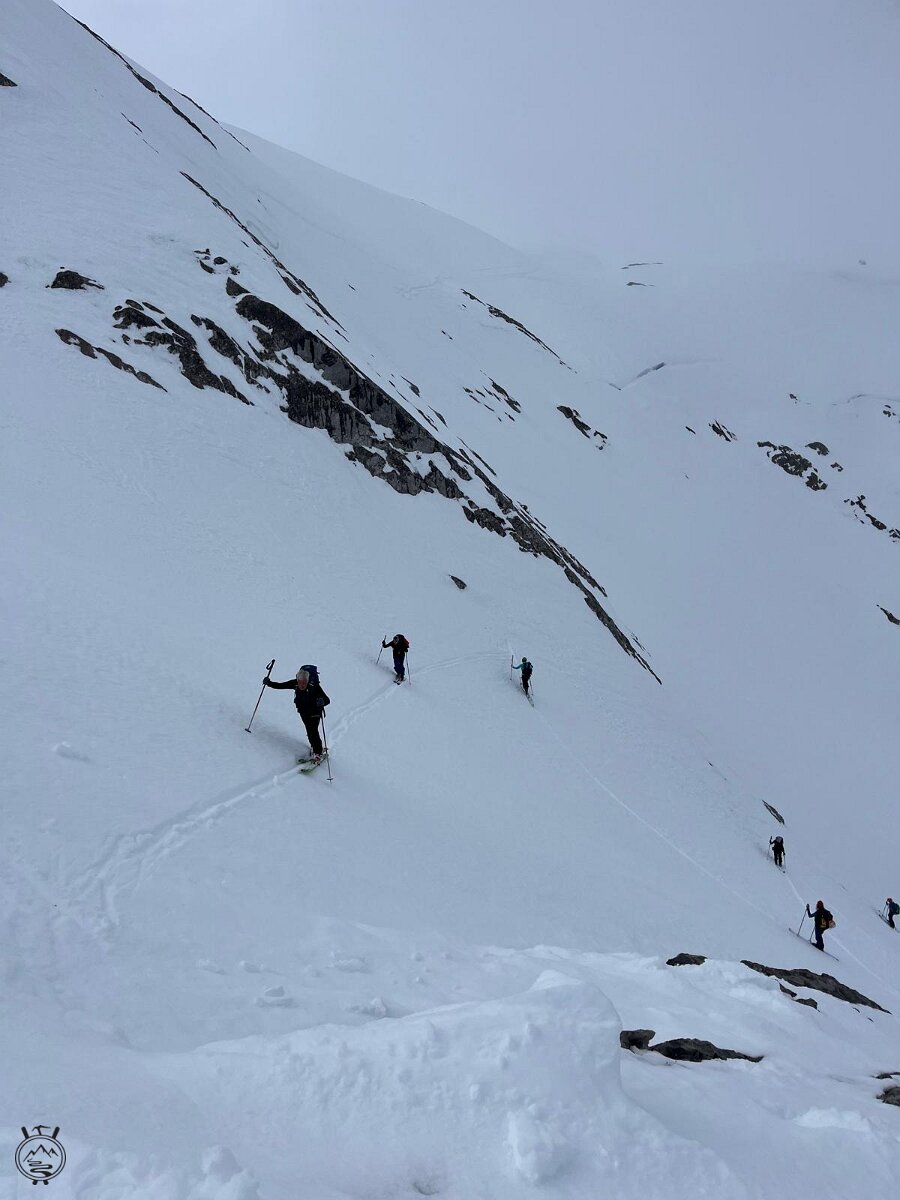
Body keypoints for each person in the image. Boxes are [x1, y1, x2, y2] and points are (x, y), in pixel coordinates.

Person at [264, 667, 330, 762]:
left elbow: (327, 700)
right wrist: (269, 683)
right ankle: (316, 747)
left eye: (304, 683)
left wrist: (321, 701)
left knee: (313, 731)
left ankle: (318, 753)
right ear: (297, 680)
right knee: (309, 731)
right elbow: (281, 685)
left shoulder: (314, 687)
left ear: (307, 680)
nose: (302, 685)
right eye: (300, 682)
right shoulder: (295, 683)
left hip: (315, 712)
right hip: (303, 712)